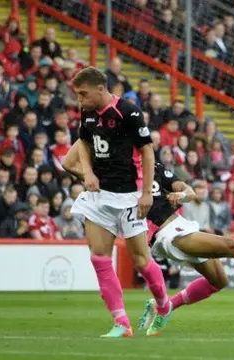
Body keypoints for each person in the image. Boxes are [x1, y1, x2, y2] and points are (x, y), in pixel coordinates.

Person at [63, 152, 234, 329]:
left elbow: (190, 192)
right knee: (233, 245)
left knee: (220, 280)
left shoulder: (155, 168)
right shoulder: (117, 177)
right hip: (164, 234)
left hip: (180, 224)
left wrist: (182, 195)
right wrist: (87, 177)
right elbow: (69, 163)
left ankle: (167, 306)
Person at [62, 67, 171, 338]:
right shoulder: (87, 114)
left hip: (130, 196)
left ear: (100, 89)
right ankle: (121, 322)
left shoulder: (129, 112)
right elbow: (84, 143)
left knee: (140, 260)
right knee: (99, 257)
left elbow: (147, 151)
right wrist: (87, 172)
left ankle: (163, 304)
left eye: (83, 94)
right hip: (99, 198)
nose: (80, 100)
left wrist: (146, 192)